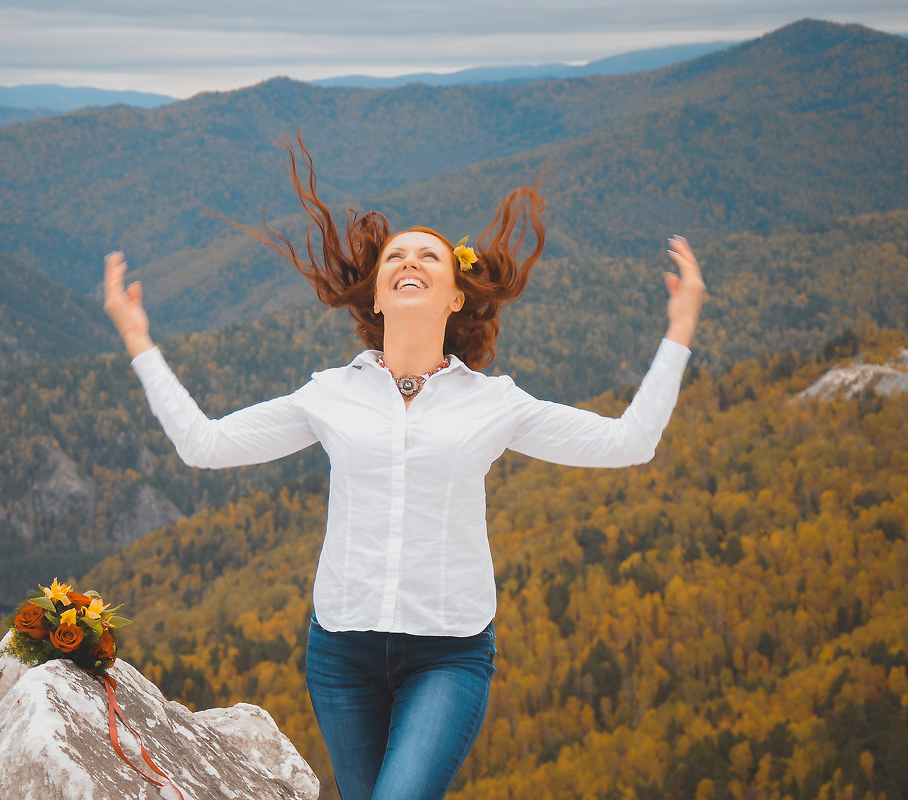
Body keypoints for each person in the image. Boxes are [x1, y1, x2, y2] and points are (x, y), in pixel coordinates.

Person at [103, 140, 704, 800]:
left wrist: (679, 331)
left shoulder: (495, 402)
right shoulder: (329, 393)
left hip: (448, 655)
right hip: (341, 656)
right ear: (378, 298)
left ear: (455, 298)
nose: (410, 261)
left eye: (429, 256)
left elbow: (628, 442)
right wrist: (138, 339)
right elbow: (204, 444)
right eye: (396, 256)